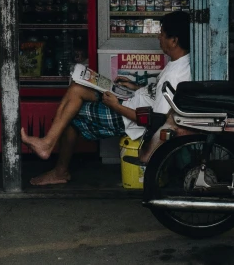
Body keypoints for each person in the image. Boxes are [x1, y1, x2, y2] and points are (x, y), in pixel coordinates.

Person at [21, 11, 191, 186]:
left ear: (174, 40)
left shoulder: (176, 74)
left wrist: (115, 106)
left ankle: (55, 161)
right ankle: (50, 150)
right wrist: (135, 87)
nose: (158, 37)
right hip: (131, 100)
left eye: (162, 34)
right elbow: (157, 95)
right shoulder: (179, 62)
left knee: (71, 113)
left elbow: (155, 120)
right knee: (77, 88)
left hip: (126, 116)